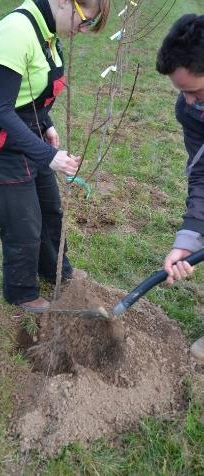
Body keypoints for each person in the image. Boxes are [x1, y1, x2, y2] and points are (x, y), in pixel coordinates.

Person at [0, 0, 110, 313]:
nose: (82, 30)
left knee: (50, 211)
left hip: (29, 135)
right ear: (64, 2)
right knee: (24, 225)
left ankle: (55, 270)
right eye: (85, 20)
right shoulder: (16, 32)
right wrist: (49, 155)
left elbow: (32, 89)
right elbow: (2, 109)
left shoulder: (48, 31)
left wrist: (47, 123)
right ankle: (21, 291)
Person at [156, 14, 204, 361]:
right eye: (181, 92)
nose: (187, 101)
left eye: (194, 91)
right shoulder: (191, 111)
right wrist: (189, 239)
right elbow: (202, 174)